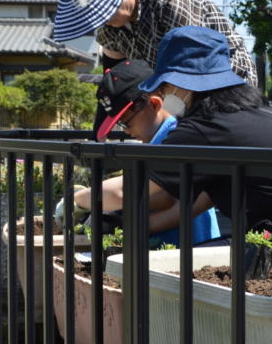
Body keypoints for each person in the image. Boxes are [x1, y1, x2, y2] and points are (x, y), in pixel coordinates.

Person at [78, 25, 272, 255]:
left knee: (174, 275)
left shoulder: (205, 128)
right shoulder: (249, 116)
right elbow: (194, 205)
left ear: (184, 83)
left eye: (165, 84)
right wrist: (135, 228)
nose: (164, 93)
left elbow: (122, 192)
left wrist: (74, 200)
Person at [50, 0, 258, 125]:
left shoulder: (171, 2)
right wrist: (100, 134)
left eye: (106, 8)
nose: (104, 19)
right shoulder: (110, 26)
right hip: (176, 95)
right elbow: (115, 82)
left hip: (227, 88)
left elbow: (193, 76)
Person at [66, 57, 222, 249]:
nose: (124, 130)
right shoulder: (155, 142)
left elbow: (148, 196)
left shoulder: (175, 139)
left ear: (155, 104)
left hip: (192, 252)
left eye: (126, 122)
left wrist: (79, 198)